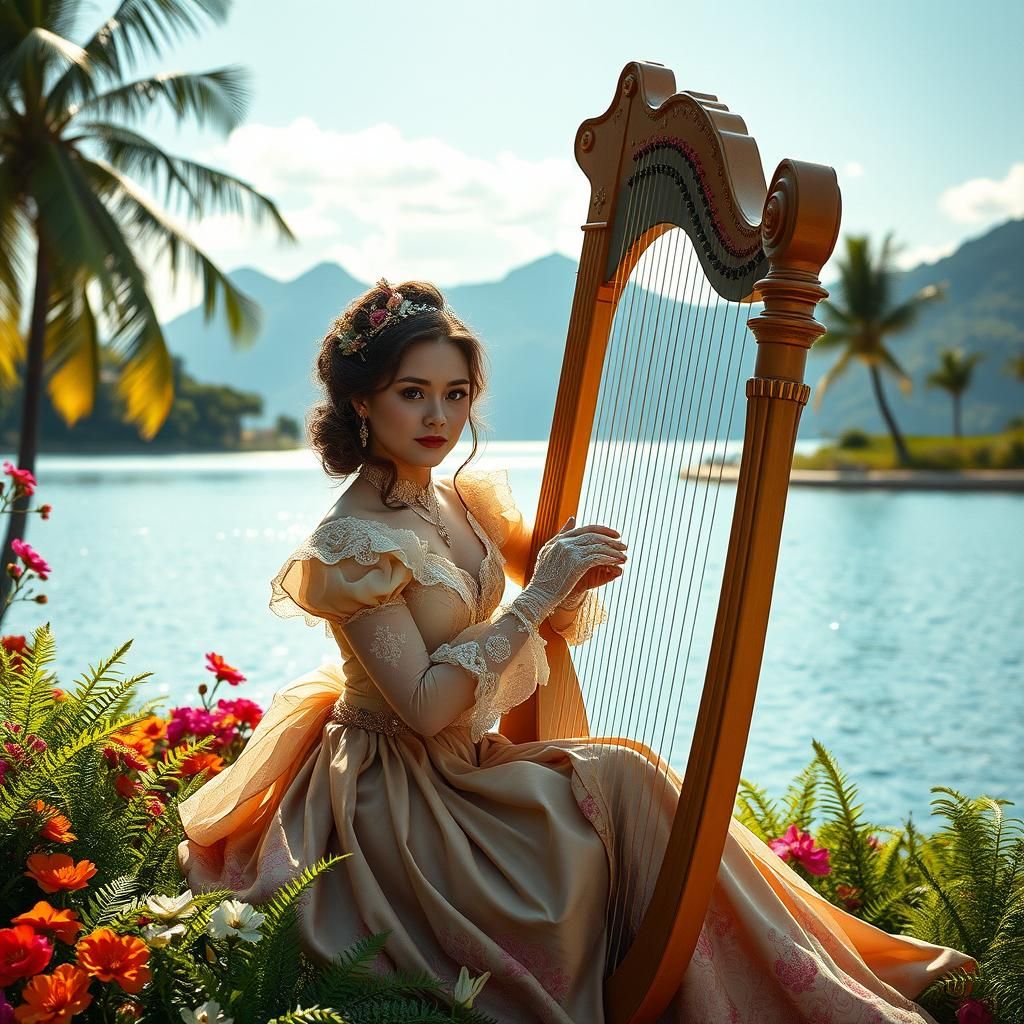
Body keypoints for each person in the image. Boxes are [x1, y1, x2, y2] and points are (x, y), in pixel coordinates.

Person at [177, 279, 976, 1023]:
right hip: (398, 795)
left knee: (631, 775)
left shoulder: (458, 498)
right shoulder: (352, 543)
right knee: (612, 797)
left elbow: (550, 594)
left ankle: (823, 976)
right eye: (411, 393)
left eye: (456, 395)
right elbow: (422, 708)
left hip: (471, 761)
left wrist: (573, 575)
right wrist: (537, 594)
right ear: (361, 401)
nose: (438, 418)